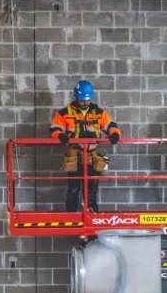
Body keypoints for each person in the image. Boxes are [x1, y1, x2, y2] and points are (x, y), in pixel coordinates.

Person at [50, 79, 122, 212]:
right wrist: (61, 136)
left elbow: (111, 125)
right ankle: (72, 216)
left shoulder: (99, 113)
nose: (86, 103)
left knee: (91, 189)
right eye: (82, 100)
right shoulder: (65, 113)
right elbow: (55, 128)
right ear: (76, 97)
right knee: (74, 188)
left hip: (91, 157)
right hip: (75, 157)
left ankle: (92, 215)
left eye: (88, 100)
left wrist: (115, 134)